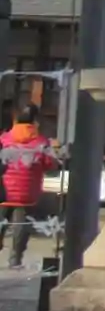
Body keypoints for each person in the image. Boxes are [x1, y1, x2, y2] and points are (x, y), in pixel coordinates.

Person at [0, 104, 59, 271]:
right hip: (27, 192)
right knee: (21, 225)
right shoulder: (41, 142)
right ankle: (15, 259)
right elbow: (50, 164)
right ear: (35, 121)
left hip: (3, 189)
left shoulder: (4, 139)